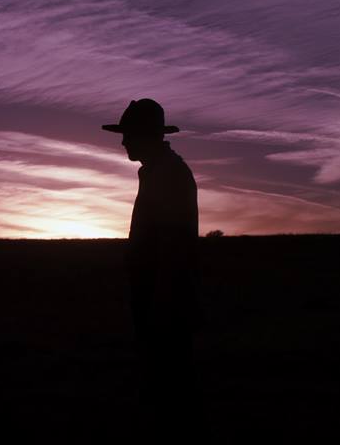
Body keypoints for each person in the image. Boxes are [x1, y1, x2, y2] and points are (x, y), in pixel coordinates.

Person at [101, 98, 202, 439]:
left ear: (144, 135)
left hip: (165, 297)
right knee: (163, 377)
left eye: (128, 134)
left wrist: (162, 297)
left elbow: (174, 244)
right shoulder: (159, 171)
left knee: (169, 380)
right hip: (158, 293)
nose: (123, 142)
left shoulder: (169, 174)